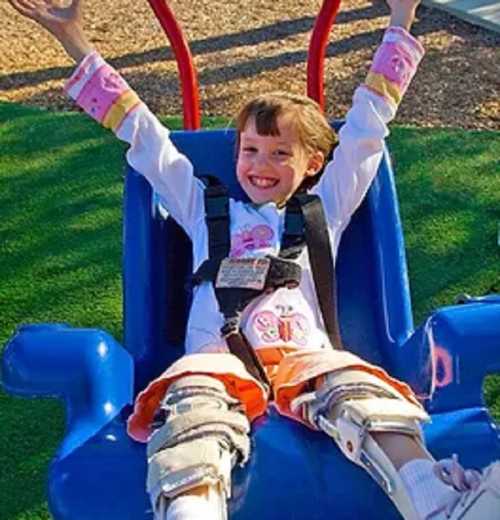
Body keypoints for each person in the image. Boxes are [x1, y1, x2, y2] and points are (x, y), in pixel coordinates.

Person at [8, 0, 500, 519]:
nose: (260, 166)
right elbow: (143, 134)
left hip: (309, 362)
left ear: (313, 164)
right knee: (192, 420)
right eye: (250, 150)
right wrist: (74, 40)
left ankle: (439, 502)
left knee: (368, 401)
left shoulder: (322, 210)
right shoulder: (204, 209)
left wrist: (400, 20)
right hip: (214, 363)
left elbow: (366, 128)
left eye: (280, 153)